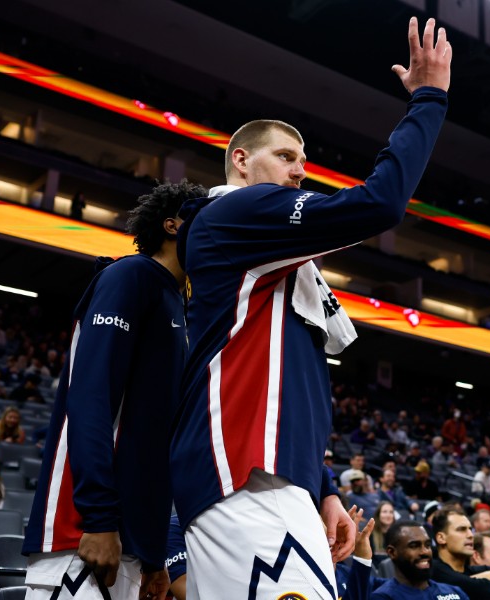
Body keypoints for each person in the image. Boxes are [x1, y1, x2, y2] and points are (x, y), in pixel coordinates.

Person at [168, 17, 449, 599]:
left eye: (303, 159)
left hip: (274, 481)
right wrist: (428, 100)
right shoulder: (234, 216)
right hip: (238, 477)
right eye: (286, 156)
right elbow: (380, 204)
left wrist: (322, 487)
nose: (301, 170)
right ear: (241, 161)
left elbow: (285, 389)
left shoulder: (279, 264)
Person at [22, 180, 202, 600]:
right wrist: (99, 520)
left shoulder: (179, 305)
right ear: (174, 226)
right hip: (83, 532)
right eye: (208, 223)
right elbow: (89, 401)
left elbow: (157, 440)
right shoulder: (130, 275)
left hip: (130, 545)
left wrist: (154, 554)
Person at [430, 507, 490, 600]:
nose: (471, 535)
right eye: (461, 529)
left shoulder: (479, 570)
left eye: (470, 529)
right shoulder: (432, 569)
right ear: (441, 538)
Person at [373, 519, 469, 600]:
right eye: (414, 546)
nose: (425, 552)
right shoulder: (383, 597)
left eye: (427, 545)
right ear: (392, 552)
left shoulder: (455, 592)